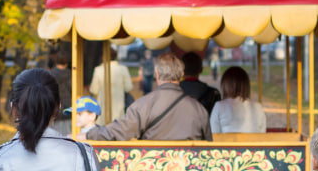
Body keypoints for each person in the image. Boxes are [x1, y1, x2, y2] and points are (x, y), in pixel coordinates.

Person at [81, 52, 210, 141]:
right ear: (181, 74)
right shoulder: (199, 109)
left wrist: (89, 135)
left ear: (157, 74)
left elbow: (119, 131)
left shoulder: (142, 105)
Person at [209, 66, 266, 134]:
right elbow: (262, 134)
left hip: (228, 144)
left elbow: (213, 135)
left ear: (225, 85)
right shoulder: (258, 107)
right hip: (252, 144)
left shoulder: (219, 106)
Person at [88, 45, 134, 123]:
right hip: (119, 107)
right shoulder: (123, 69)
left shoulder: (98, 70)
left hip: (102, 108)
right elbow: (128, 88)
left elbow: (94, 90)